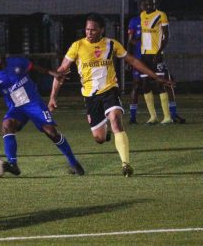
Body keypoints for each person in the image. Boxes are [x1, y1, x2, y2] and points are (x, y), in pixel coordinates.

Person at [48, 13, 173, 177]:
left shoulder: (111, 44)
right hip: (90, 96)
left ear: (101, 30)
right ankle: (104, 132)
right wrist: (52, 97)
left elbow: (133, 61)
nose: (89, 33)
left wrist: (155, 76)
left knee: (115, 119)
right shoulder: (77, 46)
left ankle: (126, 165)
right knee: (99, 138)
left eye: (93, 30)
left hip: (110, 90)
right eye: (87, 29)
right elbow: (61, 71)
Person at [0, 46, 85, 176]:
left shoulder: (17, 62)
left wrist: (52, 72)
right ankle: (13, 164)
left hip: (33, 103)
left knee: (51, 132)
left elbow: (35, 68)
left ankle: (74, 163)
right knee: (7, 125)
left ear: (0, 56)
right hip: (17, 108)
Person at [139, 0, 173, 125]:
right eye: (146, 3)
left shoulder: (161, 15)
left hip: (156, 55)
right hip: (144, 55)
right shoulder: (142, 15)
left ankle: (167, 117)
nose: (148, 5)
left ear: (154, 4)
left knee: (159, 84)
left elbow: (166, 36)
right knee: (145, 85)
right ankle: (153, 117)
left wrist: (159, 52)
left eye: (150, 3)